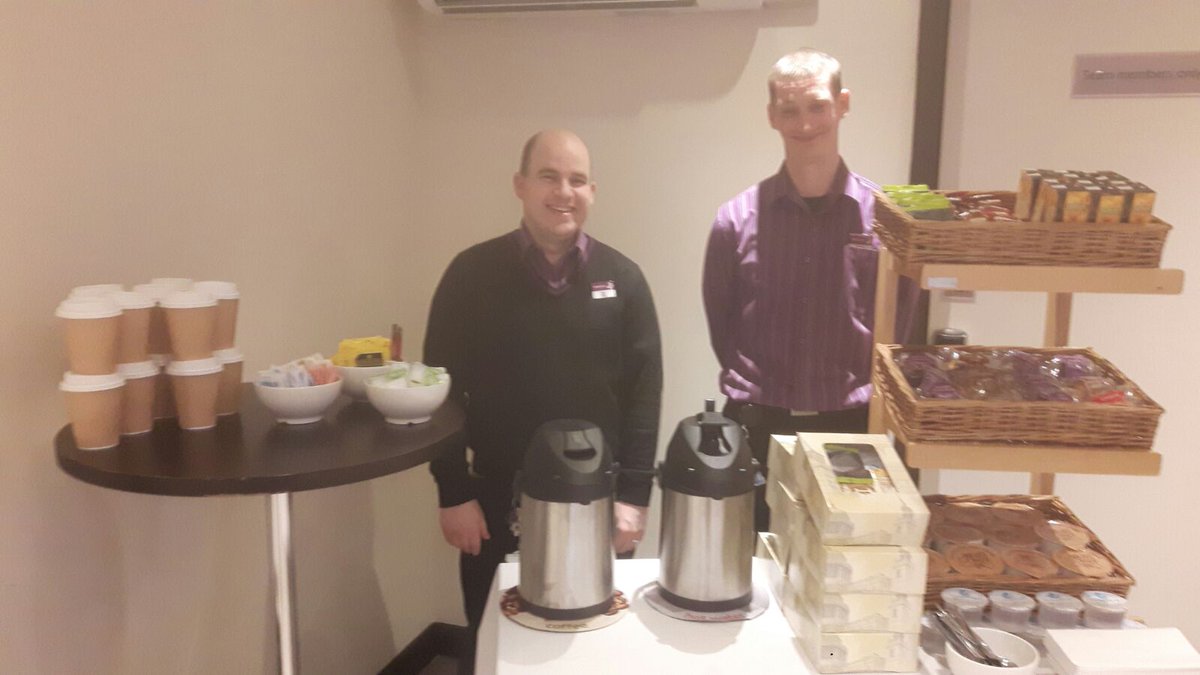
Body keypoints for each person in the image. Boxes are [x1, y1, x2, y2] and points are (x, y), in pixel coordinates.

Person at [425, 129, 663, 660]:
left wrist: (635, 497)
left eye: (577, 180)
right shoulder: (471, 274)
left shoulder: (624, 280)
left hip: (598, 504)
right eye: (549, 176)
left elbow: (644, 396)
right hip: (492, 499)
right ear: (520, 185)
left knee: (592, 646)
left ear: (593, 191)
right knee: (494, 645)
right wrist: (452, 490)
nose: (564, 191)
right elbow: (437, 391)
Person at [701, 49, 917, 531]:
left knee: (852, 579)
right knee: (754, 574)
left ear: (843, 104)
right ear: (772, 115)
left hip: (855, 430)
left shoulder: (887, 221)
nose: (805, 123)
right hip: (758, 427)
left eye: (817, 106)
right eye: (790, 109)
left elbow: (898, 326)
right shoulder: (733, 222)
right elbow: (723, 327)